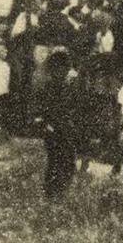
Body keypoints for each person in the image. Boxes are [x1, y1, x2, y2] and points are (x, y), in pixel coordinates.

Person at [40, 52, 79, 198]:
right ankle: (52, 192)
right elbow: (43, 108)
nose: (60, 72)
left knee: (65, 161)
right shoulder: (51, 87)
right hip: (55, 130)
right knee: (56, 161)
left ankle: (59, 191)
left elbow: (76, 108)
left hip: (65, 130)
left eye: (63, 69)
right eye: (57, 69)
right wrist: (46, 123)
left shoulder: (70, 87)